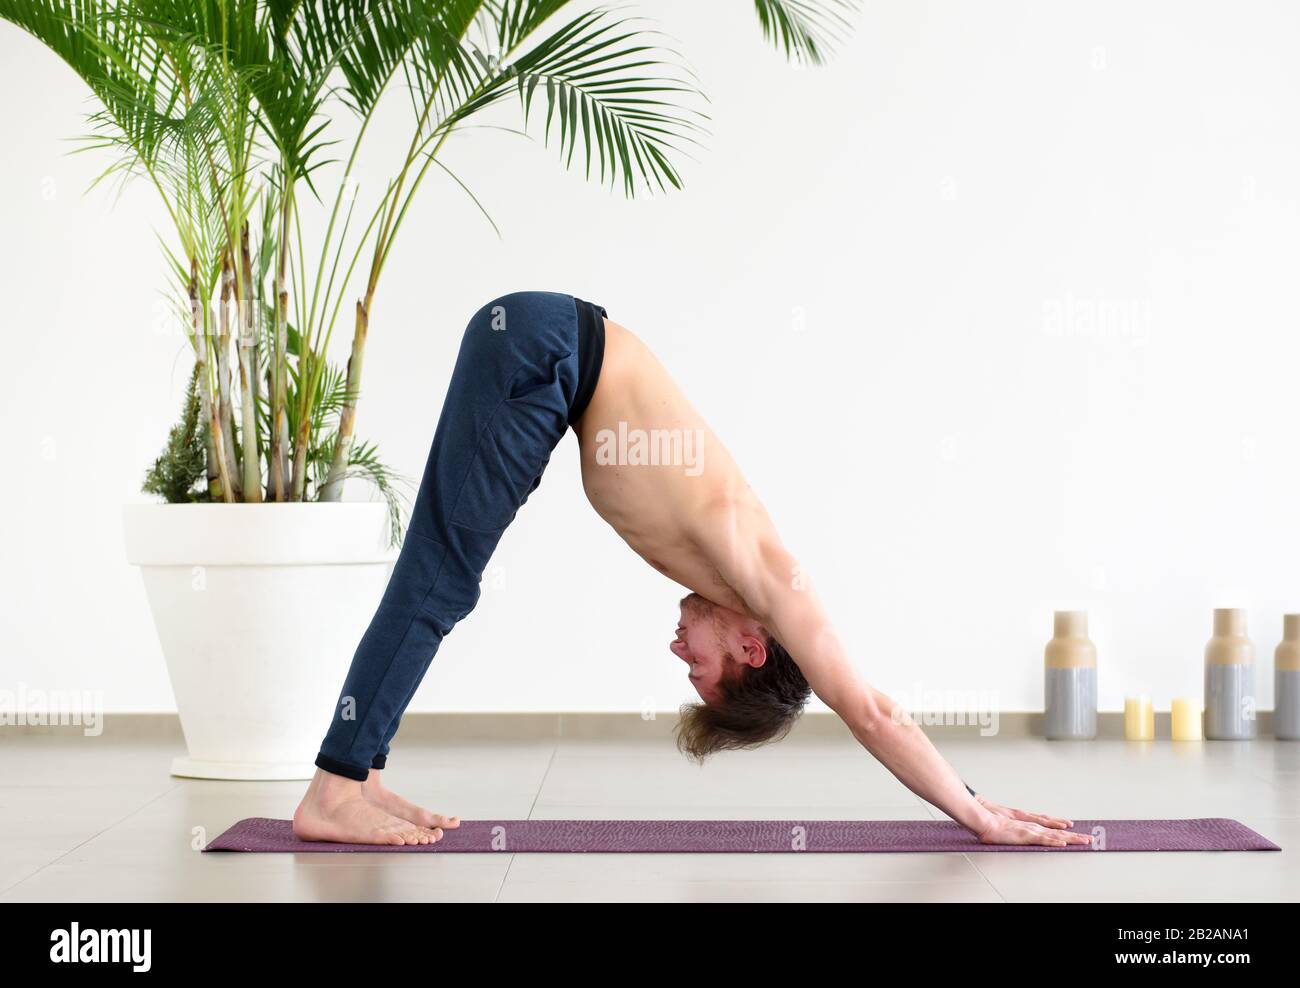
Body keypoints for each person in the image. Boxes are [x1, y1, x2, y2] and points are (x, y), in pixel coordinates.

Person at [293, 291, 1092, 848]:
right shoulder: (772, 583)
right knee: (440, 577)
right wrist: (976, 812)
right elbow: (873, 711)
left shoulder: (738, 577)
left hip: (549, 354)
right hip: (545, 348)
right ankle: (334, 786)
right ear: (753, 651)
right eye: (701, 671)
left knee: (445, 577)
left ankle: (358, 775)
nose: (679, 654)